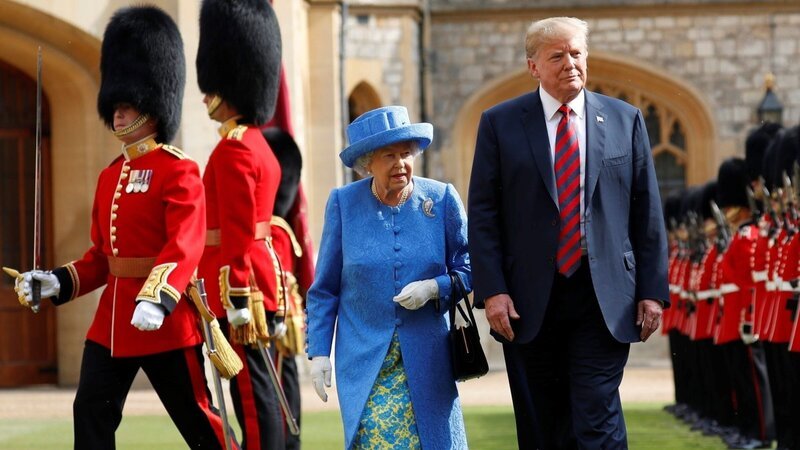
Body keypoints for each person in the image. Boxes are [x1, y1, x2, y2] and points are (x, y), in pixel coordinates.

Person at [10, 6, 236, 449]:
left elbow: (184, 244)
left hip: (164, 318)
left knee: (197, 419)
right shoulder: (110, 174)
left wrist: (158, 298)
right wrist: (57, 281)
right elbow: (102, 257)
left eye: (127, 104)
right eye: (114, 105)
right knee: (90, 412)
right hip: (112, 321)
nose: (117, 113)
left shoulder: (179, 170)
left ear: (152, 105)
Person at [468, 17, 669, 449]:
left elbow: (646, 212)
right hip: (526, 299)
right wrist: (492, 291)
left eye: (576, 53)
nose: (569, 63)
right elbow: (483, 214)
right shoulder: (499, 123)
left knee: (597, 418)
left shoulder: (624, 119)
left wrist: (652, 290)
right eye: (556, 56)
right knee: (543, 423)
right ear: (533, 66)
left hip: (605, 296)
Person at [306, 105, 470, 449]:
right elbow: (324, 290)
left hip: (428, 362)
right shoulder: (343, 203)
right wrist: (319, 352)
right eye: (389, 155)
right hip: (365, 361)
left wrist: (433, 288)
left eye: (406, 153)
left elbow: (471, 268)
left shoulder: (441, 200)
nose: (401, 163)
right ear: (368, 163)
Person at [195, 0, 285, 448]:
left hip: (238, 282)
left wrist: (233, 295)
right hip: (260, 275)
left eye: (212, 88)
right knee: (259, 386)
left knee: (249, 391)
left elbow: (235, 229)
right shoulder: (260, 146)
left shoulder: (232, 149)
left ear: (229, 87)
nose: (205, 96)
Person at [262, 127, 315, 450]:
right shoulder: (278, 228)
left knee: (280, 378)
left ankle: (287, 441)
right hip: (273, 311)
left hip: (276, 313)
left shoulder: (277, 231)